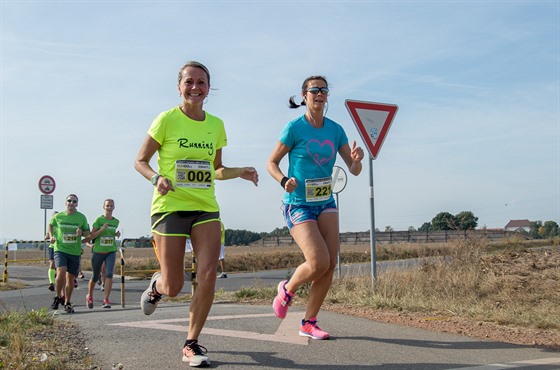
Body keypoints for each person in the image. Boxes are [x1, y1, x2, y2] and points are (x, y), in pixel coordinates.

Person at [134, 60, 258, 367]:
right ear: (179, 86)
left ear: (208, 88)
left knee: (207, 275)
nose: (195, 87)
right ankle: (157, 286)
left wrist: (239, 171)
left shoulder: (215, 125)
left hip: (206, 209)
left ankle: (192, 343)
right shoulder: (166, 120)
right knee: (173, 287)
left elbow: (216, 169)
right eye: (189, 82)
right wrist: (156, 178)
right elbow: (140, 160)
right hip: (170, 208)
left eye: (201, 82)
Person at [266, 75, 364, 340]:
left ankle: (309, 322)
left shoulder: (335, 130)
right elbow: (271, 163)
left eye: (324, 90)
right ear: (304, 95)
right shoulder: (294, 128)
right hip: (298, 203)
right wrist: (284, 180)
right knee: (318, 261)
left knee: (329, 264)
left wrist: (357, 160)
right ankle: (287, 288)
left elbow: (354, 170)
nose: (320, 94)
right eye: (314, 90)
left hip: (325, 202)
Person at [48, 194, 91, 313]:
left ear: (77, 204)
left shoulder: (81, 217)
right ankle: (57, 297)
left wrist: (82, 232)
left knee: (70, 278)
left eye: (74, 201)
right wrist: (51, 236)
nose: (71, 203)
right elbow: (50, 225)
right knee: (60, 271)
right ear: (65, 203)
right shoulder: (58, 216)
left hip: (74, 251)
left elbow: (87, 233)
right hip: (60, 249)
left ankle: (67, 302)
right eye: (69, 201)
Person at [85, 199, 120, 309]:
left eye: (111, 206)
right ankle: (89, 296)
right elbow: (92, 236)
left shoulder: (116, 221)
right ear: (103, 207)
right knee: (95, 276)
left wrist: (115, 234)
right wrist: (102, 229)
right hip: (98, 251)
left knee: (109, 274)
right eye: (107, 206)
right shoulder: (99, 220)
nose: (109, 208)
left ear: (114, 207)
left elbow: (110, 234)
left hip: (111, 251)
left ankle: (106, 300)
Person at [46, 211, 59, 291]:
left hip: (61, 247)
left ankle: (56, 277)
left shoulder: (61, 225)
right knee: (52, 263)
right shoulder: (51, 226)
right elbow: (47, 235)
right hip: (52, 247)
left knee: (59, 266)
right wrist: (47, 237)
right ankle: (51, 283)